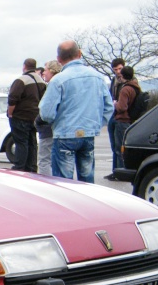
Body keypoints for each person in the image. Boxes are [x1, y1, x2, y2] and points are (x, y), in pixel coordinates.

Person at [38, 40, 112, 184]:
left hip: (65, 134)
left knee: (64, 183)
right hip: (88, 134)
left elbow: (46, 113)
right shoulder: (97, 77)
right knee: (87, 180)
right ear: (79, 54)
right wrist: (95, 124)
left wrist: (56, 123)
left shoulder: (58, 80)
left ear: (59, 59)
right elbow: (108, 107)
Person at [6, 58, 47, 172]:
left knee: (21, 142)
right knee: (32, 142)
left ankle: (20, 166)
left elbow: (13, 99)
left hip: (21, 116)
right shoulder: (41, 82)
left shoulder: (21, 80)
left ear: (24, 66)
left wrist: (10, 113)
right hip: (35, 116)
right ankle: (32, 166)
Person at [111, 65, 140, 172]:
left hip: (122, 120)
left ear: (123, 75)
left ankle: (119, 171)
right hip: (130, 120)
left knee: (119, 149)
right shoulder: (135, 87)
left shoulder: (125, 89)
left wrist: (115, 103)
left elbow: (122, 107)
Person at [35, 60, 61, 176]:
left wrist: (38, 121)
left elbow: (47, 110)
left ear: (51, 70)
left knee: (44, 160)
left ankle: (47, 185)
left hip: (48, 128)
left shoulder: (53, 85)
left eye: (45, 70)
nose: (43, 73)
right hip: (59, 129)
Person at [104, 57, 126, 180]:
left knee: (119, 147)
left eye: (120, 69)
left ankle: (121, 172)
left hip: (121, 116)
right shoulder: (114, 81)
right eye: (115, 69)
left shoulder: (128, 81)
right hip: (113, 115)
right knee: (114, 146)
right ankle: (115, 171)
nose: (118, 71)